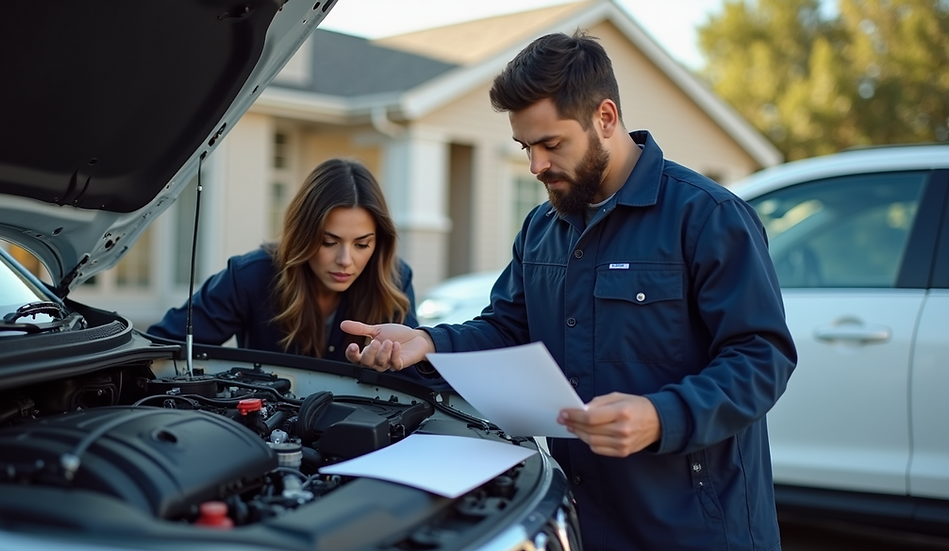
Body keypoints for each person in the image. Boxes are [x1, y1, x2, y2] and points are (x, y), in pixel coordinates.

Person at [340, 31, 797, 551]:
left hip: (694, 526)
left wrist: (660, 416)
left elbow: (762, 357)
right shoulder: (541, 227)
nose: (535, 165)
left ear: (605, 117)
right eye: (525, 147)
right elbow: (508, 328)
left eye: (551, 144)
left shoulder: (708, 216)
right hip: (577, 521)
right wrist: (430, 343)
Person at [148, 158, 439, 387]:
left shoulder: (396, 279)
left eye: (362, 244)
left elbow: (420, 383)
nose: (345, 260)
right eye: (329, 242)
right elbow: (161, 350)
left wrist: (398, 365)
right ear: (303, 235)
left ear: (379, 243)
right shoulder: (250, 275)